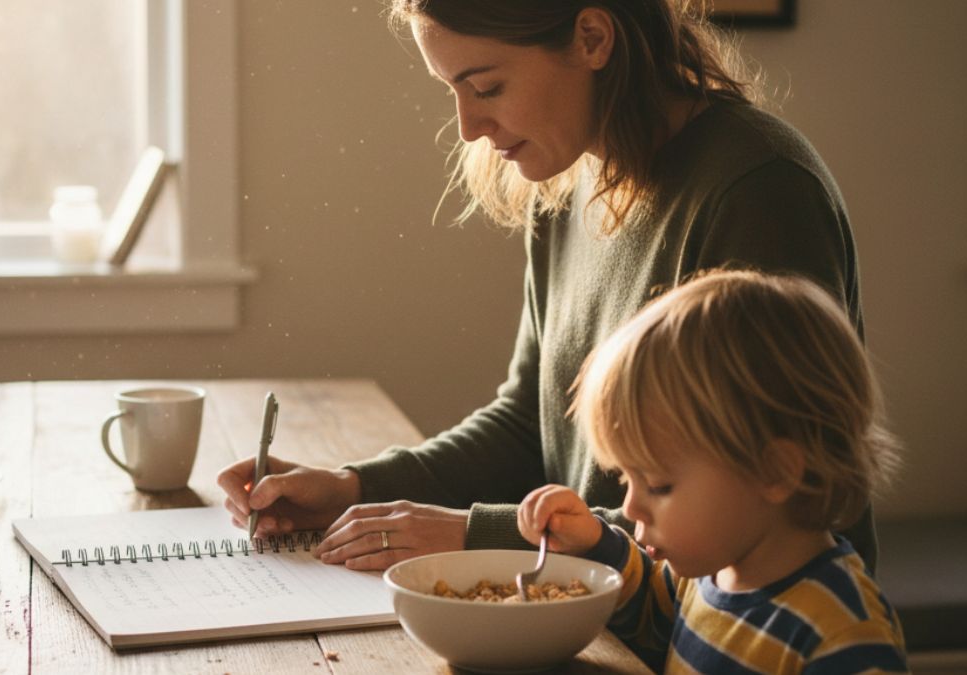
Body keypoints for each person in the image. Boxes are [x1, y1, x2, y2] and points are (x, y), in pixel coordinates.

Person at [218, 0, 880, 571]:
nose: (468, 127)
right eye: (451, 88)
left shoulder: (757, 192)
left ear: (592, 38)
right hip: (606, 618)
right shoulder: (567, 182)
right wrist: (353, 486)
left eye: (487, 87)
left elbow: (749, 506)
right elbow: (528, 424)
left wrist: (471, 535)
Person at [518, 269, 906, 674]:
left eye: (658, 485)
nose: (631, 507)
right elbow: (649, 610)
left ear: (774, 473)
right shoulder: (707, 571)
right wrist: (593, 543)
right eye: (625, 479)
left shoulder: (840, 637)